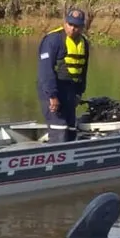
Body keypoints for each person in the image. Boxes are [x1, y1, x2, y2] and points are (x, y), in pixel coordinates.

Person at [37, 7, 90, 143]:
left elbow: (83, 71)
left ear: (82, 27)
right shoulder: (53, 40)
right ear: (65, 23)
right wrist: (52, 96)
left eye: (77, 26)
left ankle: (72, 160)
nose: (72, 29)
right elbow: (45, 71)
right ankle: (53, 160)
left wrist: (79, 93)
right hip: (53, 90)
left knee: (71, 130)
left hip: (70, 91)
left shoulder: (84, 43)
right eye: (70, 24)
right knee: (59, 129)